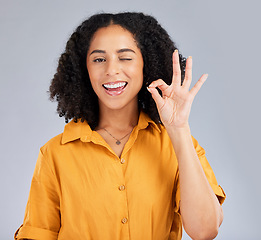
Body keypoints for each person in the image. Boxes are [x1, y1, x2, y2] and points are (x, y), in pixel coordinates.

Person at [15, 12, 225, 240]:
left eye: (125, 57)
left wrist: (179, 128)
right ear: (83, 69)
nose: (111, 70)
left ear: (147, 63)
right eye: (98, 59)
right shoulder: (55, 153)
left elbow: (205, 230)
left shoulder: (178, 145)